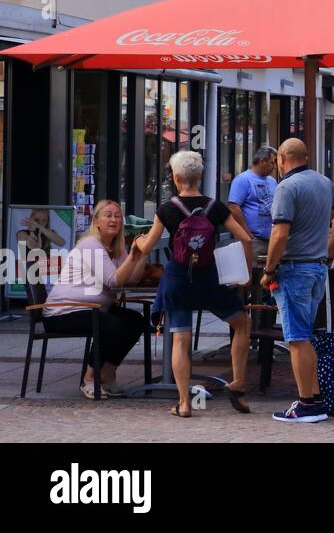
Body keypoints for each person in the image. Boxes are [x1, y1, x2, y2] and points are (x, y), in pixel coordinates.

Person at [133, 151, 254, 418]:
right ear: (200, 176)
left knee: (181, 339)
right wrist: (246, 274)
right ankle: (239, 382)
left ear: (176, 178)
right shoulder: (215, 207)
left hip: (177, 278)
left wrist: (137, 242)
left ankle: (185, 403)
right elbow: (245, 238)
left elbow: (148, 245)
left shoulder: (166, 208)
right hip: (209, 277)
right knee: (242, 323)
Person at [262, 138, 334, 423]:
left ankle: (306, 405)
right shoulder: (324, 183)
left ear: (283, 158)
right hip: (317, 268)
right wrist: (329, 252)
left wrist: (269, 268)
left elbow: (280, 234)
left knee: (297, 338)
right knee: (305, 335)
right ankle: (314, 398)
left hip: (294, 269)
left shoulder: (286, 187)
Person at [43, 200, 150, 399]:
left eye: (117, 216)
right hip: (64, 311)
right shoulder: (90, 245)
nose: (113, 219)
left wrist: (141, 254)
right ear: (96, 221)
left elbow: (132, 280)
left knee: (135, 321)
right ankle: (89, 379)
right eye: (108, 215)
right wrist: (134, 254)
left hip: (94, 309)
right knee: (109, 324)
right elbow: (113, 280)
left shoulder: (116, 247)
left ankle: (106, 375)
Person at [226, 146, 278, 264]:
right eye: (272, 162)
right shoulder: (243, 179)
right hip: (253, 239)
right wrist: (246, 232)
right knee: (252, 273)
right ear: (262, 161)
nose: (274, 166)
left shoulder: (272, 181)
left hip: (271, 238)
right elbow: (234, 207)